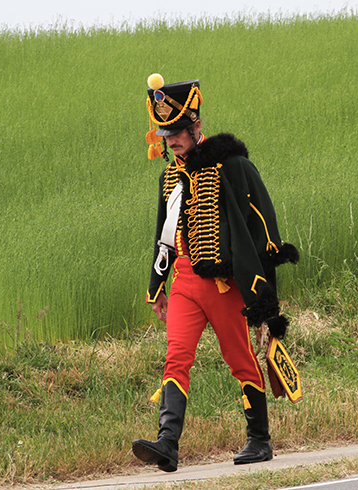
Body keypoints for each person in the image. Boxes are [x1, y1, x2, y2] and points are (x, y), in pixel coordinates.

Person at [132, 74, 299, 472]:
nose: (171, 140)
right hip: (186, 281)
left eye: (177, 131)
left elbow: (260, 223)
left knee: (240, 358)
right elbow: (164, 233)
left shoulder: (232, 166)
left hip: (224, 283)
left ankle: (260, 440)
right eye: (165, 133)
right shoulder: (170, 175)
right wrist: (158, 286)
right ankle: (167, 444)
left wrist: (263, 296)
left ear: (197, 127)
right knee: (176, 359)